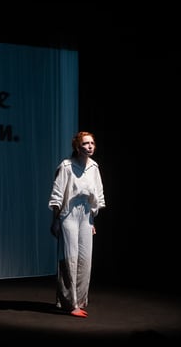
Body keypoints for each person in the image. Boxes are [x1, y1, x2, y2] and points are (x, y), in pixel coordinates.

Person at [48, 131, 106, 318]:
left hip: (86, 216)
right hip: (69, 215)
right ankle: (69, 303)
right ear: (77, 147)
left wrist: (92, 220)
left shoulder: (94, 167)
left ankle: (79, 300)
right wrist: (56, 220)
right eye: (85, 144)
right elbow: (57, 195)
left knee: (85, 260)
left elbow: (97, 195)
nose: (90, 147)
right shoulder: (66, 166)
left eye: (92, 143)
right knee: (69, 259)